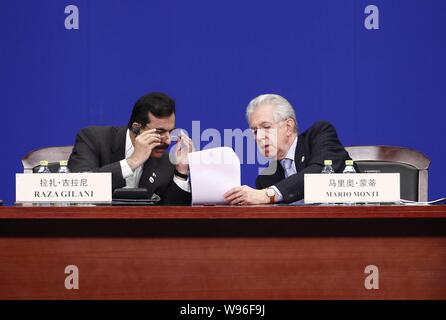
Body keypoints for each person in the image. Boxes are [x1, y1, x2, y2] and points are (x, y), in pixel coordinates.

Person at [224, 94, 353, 205]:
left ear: (288, 127)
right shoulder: (266, 179)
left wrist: (269, 194)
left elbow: (321, 172)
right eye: (255, 131)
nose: (259, 137)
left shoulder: (319, 135)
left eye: (266, 127)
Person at [68, 92, 193, 205]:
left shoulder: (166, 161)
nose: (168, 140)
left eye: (170, 132)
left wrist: (181, 172)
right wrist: (131, 162)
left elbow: (172, 216)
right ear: (136, 128)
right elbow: (78, 186)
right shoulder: (94, 139)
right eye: (159, 132)